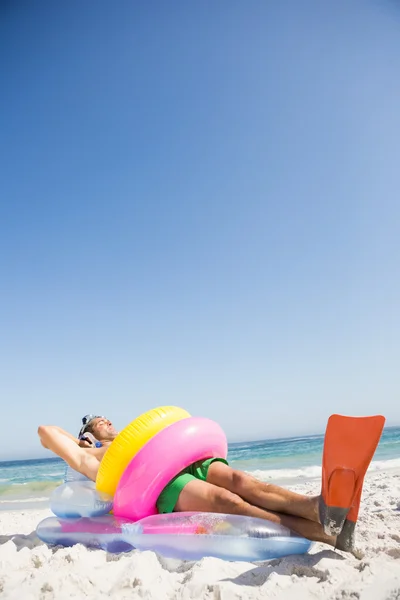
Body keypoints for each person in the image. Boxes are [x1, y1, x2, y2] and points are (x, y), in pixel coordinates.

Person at [38, 414, 359, 554]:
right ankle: (326, 534)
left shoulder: (135, 435)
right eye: (97, 420)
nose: (105, 420)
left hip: (184, 458)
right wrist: (84, 440)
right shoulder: (91, 458)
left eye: (106, 416)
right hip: (157, 484)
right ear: (88, 434)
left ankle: (318, 508)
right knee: (230, 503)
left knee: (241, 480)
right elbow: (46, 431)